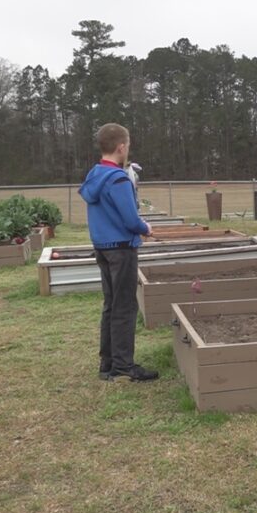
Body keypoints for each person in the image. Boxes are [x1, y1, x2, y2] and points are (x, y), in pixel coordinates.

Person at [79, 123, 157, 382]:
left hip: (102, 248)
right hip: (122, 250)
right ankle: (124, 367)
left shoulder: (95, 175)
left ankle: (108, 363)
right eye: (128, 146)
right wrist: (145, 227)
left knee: (110, 305)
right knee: (125, 306)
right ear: (121, 147)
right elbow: (131, 220)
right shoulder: (119, 179)